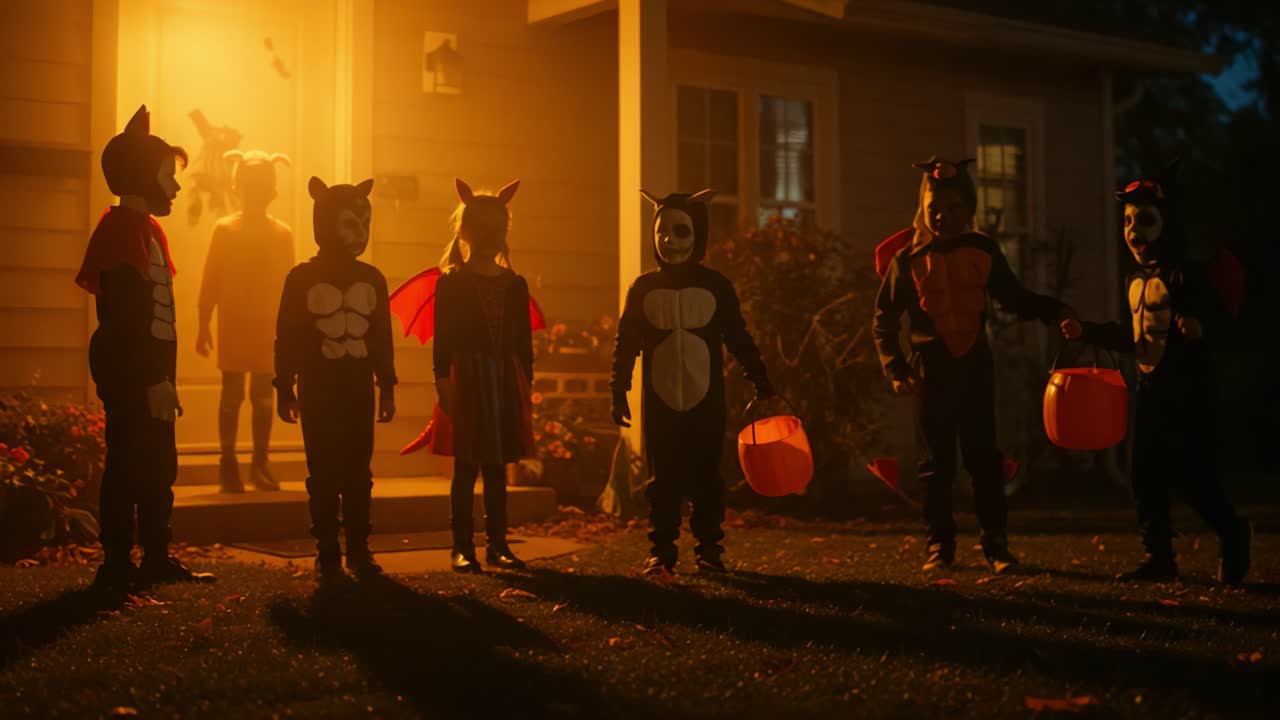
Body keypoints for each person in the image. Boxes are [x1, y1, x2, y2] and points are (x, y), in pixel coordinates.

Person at [872, 156, 1074, 575]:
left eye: (954, 207)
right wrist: (895, 368)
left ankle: (996, 545)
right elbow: (884, 320)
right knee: (935, 463)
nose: (944, 216)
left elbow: (1013, 298)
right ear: (924, 210)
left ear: (969, 209)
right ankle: (940, 546)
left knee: (984, 459)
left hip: (975, 366)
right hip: (931, 368)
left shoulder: (983, 250)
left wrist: (1056, 312)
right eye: (935, 209)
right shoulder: (908, 260)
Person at [1060, 168, 1251, 584]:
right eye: (1128, 221)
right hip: (1150, 388)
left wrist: (1199, 326)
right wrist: (1087, 331)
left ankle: (1233, 531)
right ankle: (1159, 558)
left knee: (1189, 475)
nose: (1133, 230)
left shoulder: (1185, 275)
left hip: (1189, 390)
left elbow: (1220, 322)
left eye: (1144, 219)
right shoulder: (1135, 280)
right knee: (1143, 473)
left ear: (1165, 225)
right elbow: (1134, 335)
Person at [76, 104, 215, 587]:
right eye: (166, 174)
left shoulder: (146, 230)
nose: (175, 186)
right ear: (140, 175)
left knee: (159, 465)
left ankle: (156, 555)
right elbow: (127, 318)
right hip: (136, 374)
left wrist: (164, 376)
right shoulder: (120, 233)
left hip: (157, 373)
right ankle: (117, 561)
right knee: (128, 463)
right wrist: (151, 377)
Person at [611, 188, 774, 575]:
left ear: (698, 234)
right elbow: (626, 343)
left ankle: (709, 550)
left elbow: (738, 335)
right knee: (662, 479)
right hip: (660, 401)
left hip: (706, 401)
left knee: (706, 477)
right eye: (662, 232)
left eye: (680, 231)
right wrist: (618, 390)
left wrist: (759, 376)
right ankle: (662, 551)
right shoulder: (643, 289)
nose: (669, 240)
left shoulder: (716, 287)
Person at [274, 176, 396, 583]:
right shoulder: (301, 279)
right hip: (318, 387)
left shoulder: (373, 279)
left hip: (357, 388)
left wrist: (387, 384)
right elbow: (287, 333)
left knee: (358, 470)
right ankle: (327, 549)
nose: (359, 234)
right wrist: (284, 384)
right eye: (349, 223)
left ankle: (359, 548)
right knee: (323, 470)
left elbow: (381, 335)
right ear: (325, 223)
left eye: (365, 224)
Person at [424, 178, 534, 573]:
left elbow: (523, 341)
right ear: (468, 232)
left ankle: (499, 544)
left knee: (496, 465)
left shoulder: (514, 285)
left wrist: (527, 382)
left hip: (504, 380)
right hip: (468, 379)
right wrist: (442, 381)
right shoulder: (452, 283)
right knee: (467, 466)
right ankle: (462, 546)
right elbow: (444, 340)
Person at [197, 150, 294, 493]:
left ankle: (260, 461)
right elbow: (211, 277)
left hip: (268, 327)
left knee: (264, 396)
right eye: (250, 187)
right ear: (239, 188)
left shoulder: (282, 234)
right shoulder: (226, 230)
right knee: (232, 393)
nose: (255, 194)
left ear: (272, 192)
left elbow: (290, 286)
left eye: (261, 187)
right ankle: (228, 461)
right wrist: (203, 321)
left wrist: (292, 332)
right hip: (235, 323)